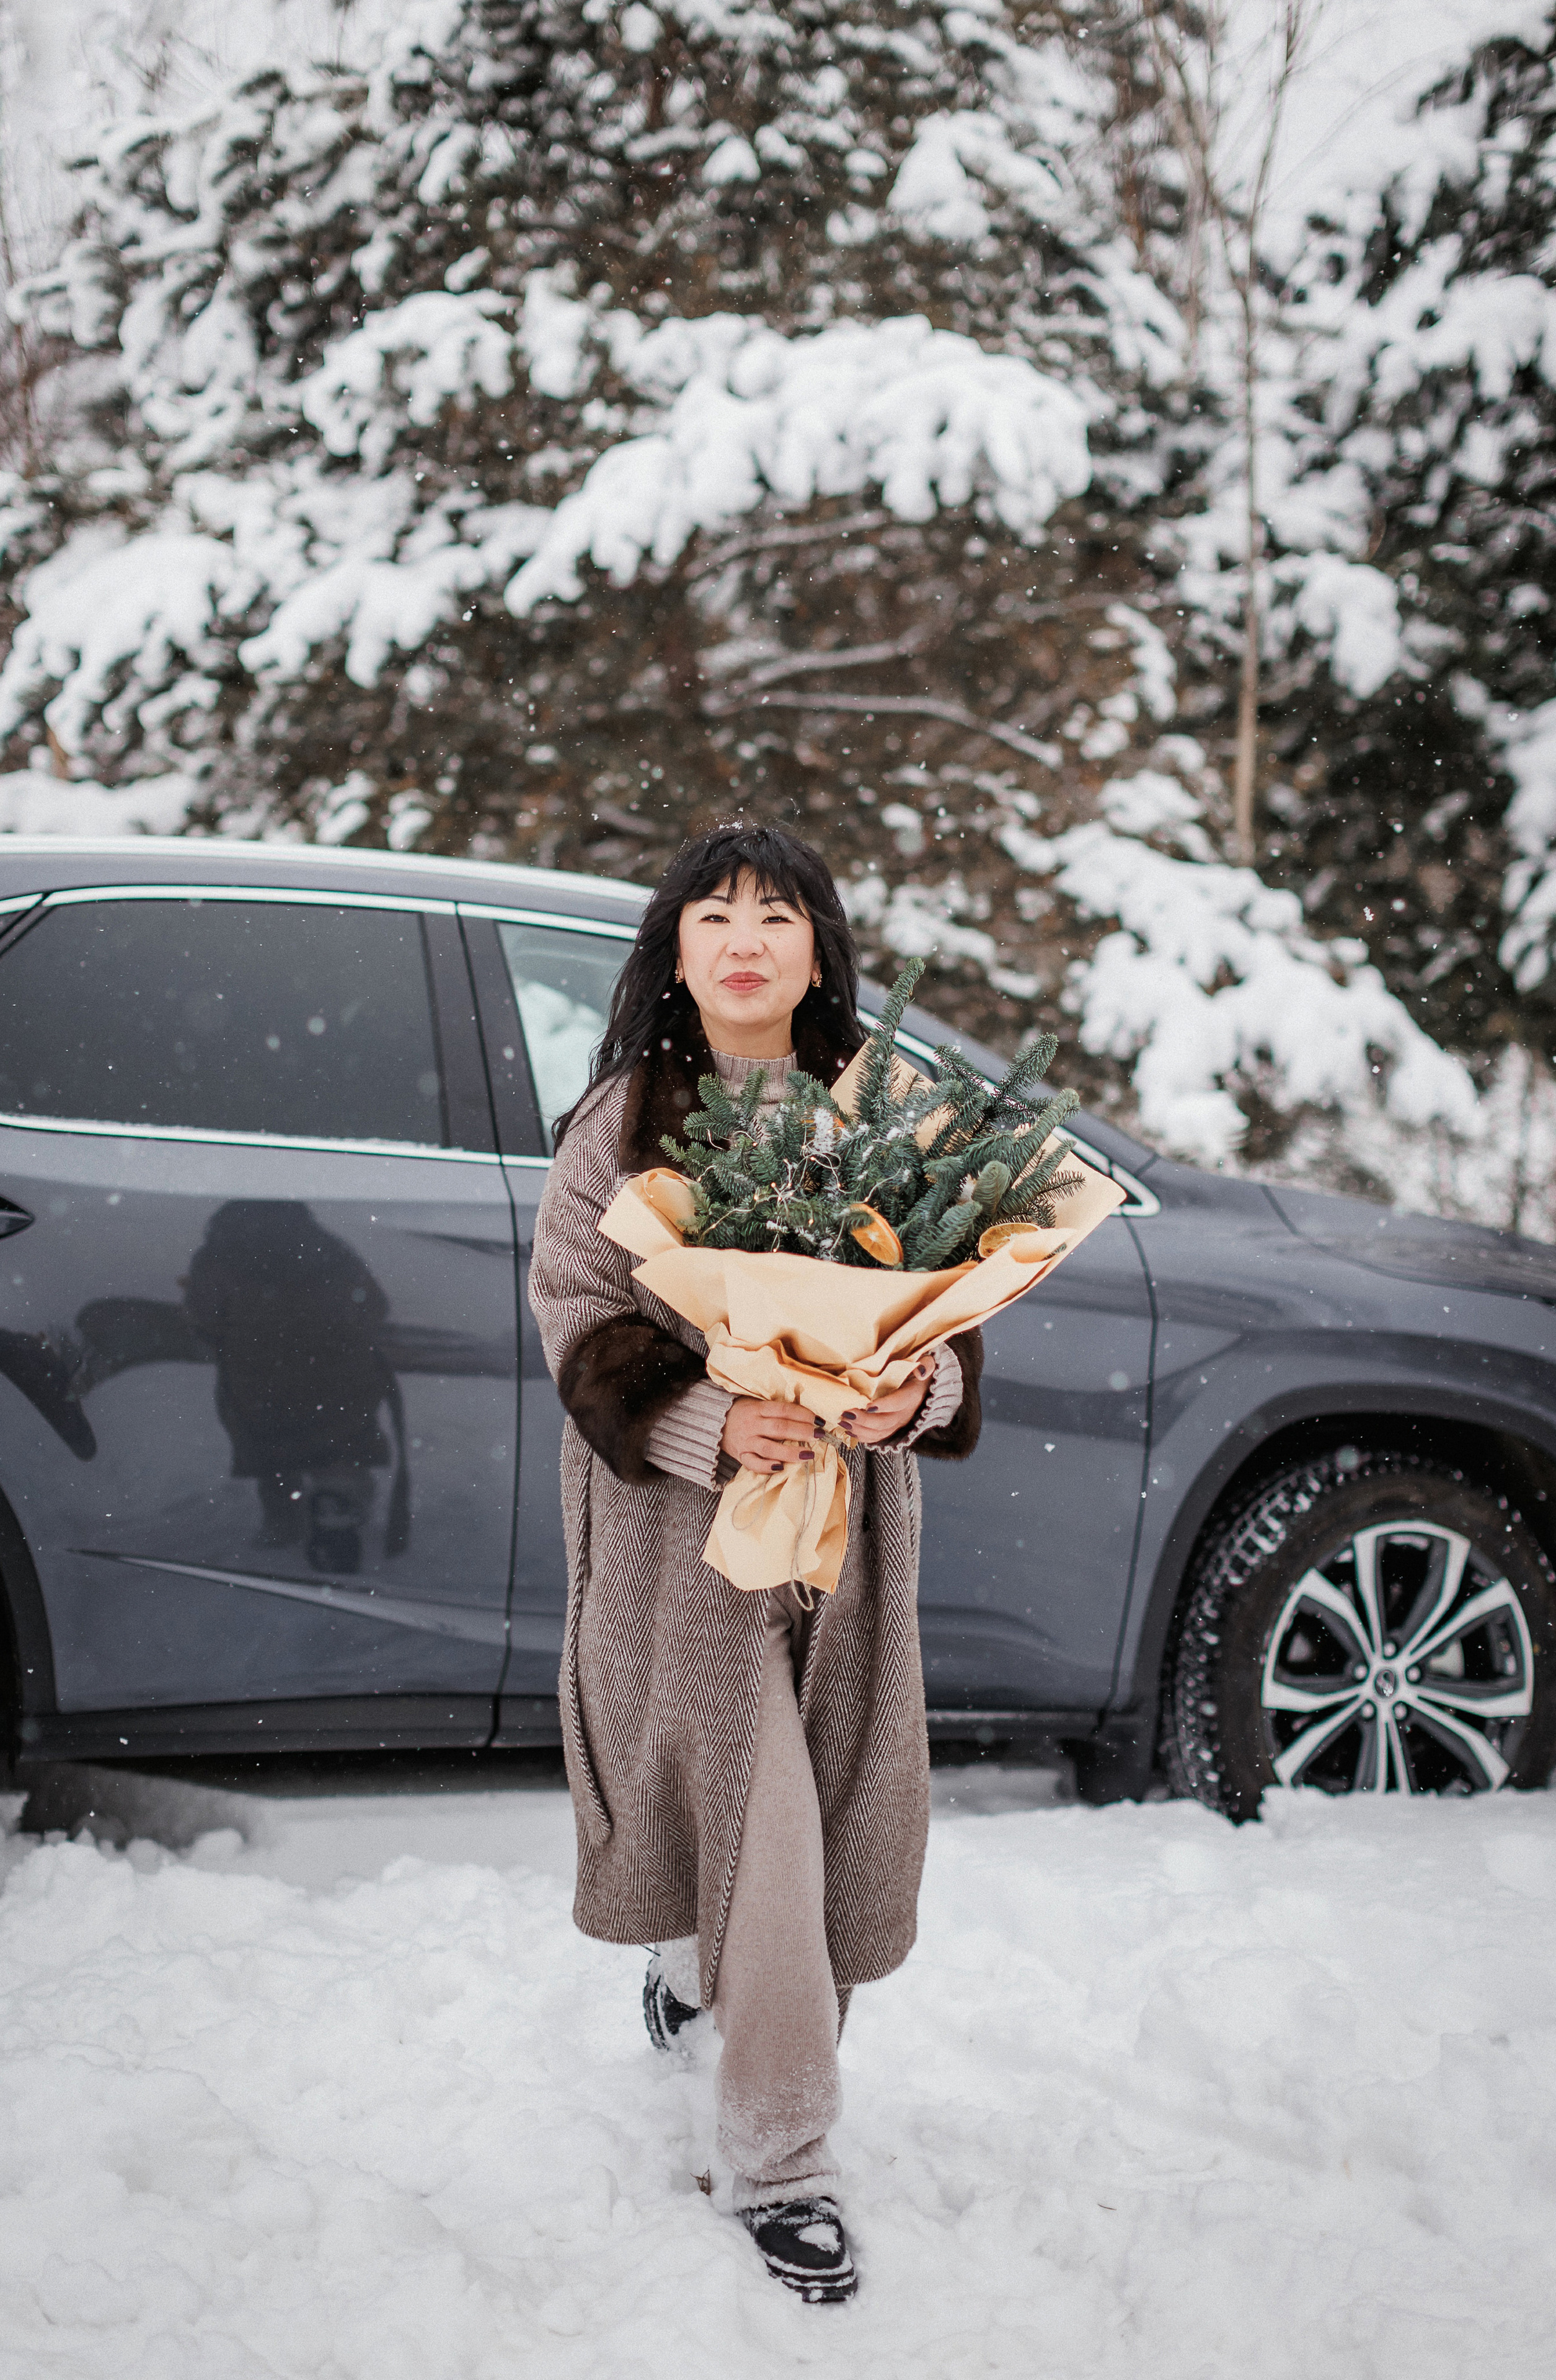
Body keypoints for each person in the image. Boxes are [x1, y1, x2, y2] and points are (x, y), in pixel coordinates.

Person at [528, 824, 982, 2304]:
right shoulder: (621, 1120)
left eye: (773, 915)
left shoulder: (882, 1109)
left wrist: (914, 1393)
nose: (741, 939)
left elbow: (948, 1311)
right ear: (674, 950)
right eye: (711, 914)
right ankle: (779, 2159)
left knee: (836, 1815)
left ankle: (691, 1981)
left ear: (813, 949)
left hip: (848, 1548)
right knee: (761, 1825)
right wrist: (717, 1417)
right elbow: (576, 1318)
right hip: (686, 1553)